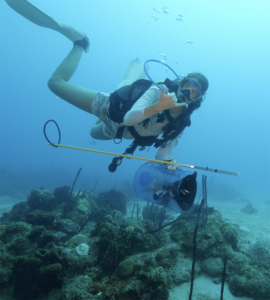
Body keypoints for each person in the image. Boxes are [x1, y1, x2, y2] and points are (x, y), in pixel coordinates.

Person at [5, 0, 209, 171]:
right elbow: (130, 118)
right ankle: (80, 43)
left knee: (92, 133)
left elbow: (164, 151)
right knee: (54, 83)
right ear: (180, 82)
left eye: (193, 92)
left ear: (196, 100)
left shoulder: (181, 123)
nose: (186, 92)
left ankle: (126, 83)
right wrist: (157, 107)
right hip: (109, 107)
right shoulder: (158, 91)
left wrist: (167, 160)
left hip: (115, 132)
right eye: (186, 85)